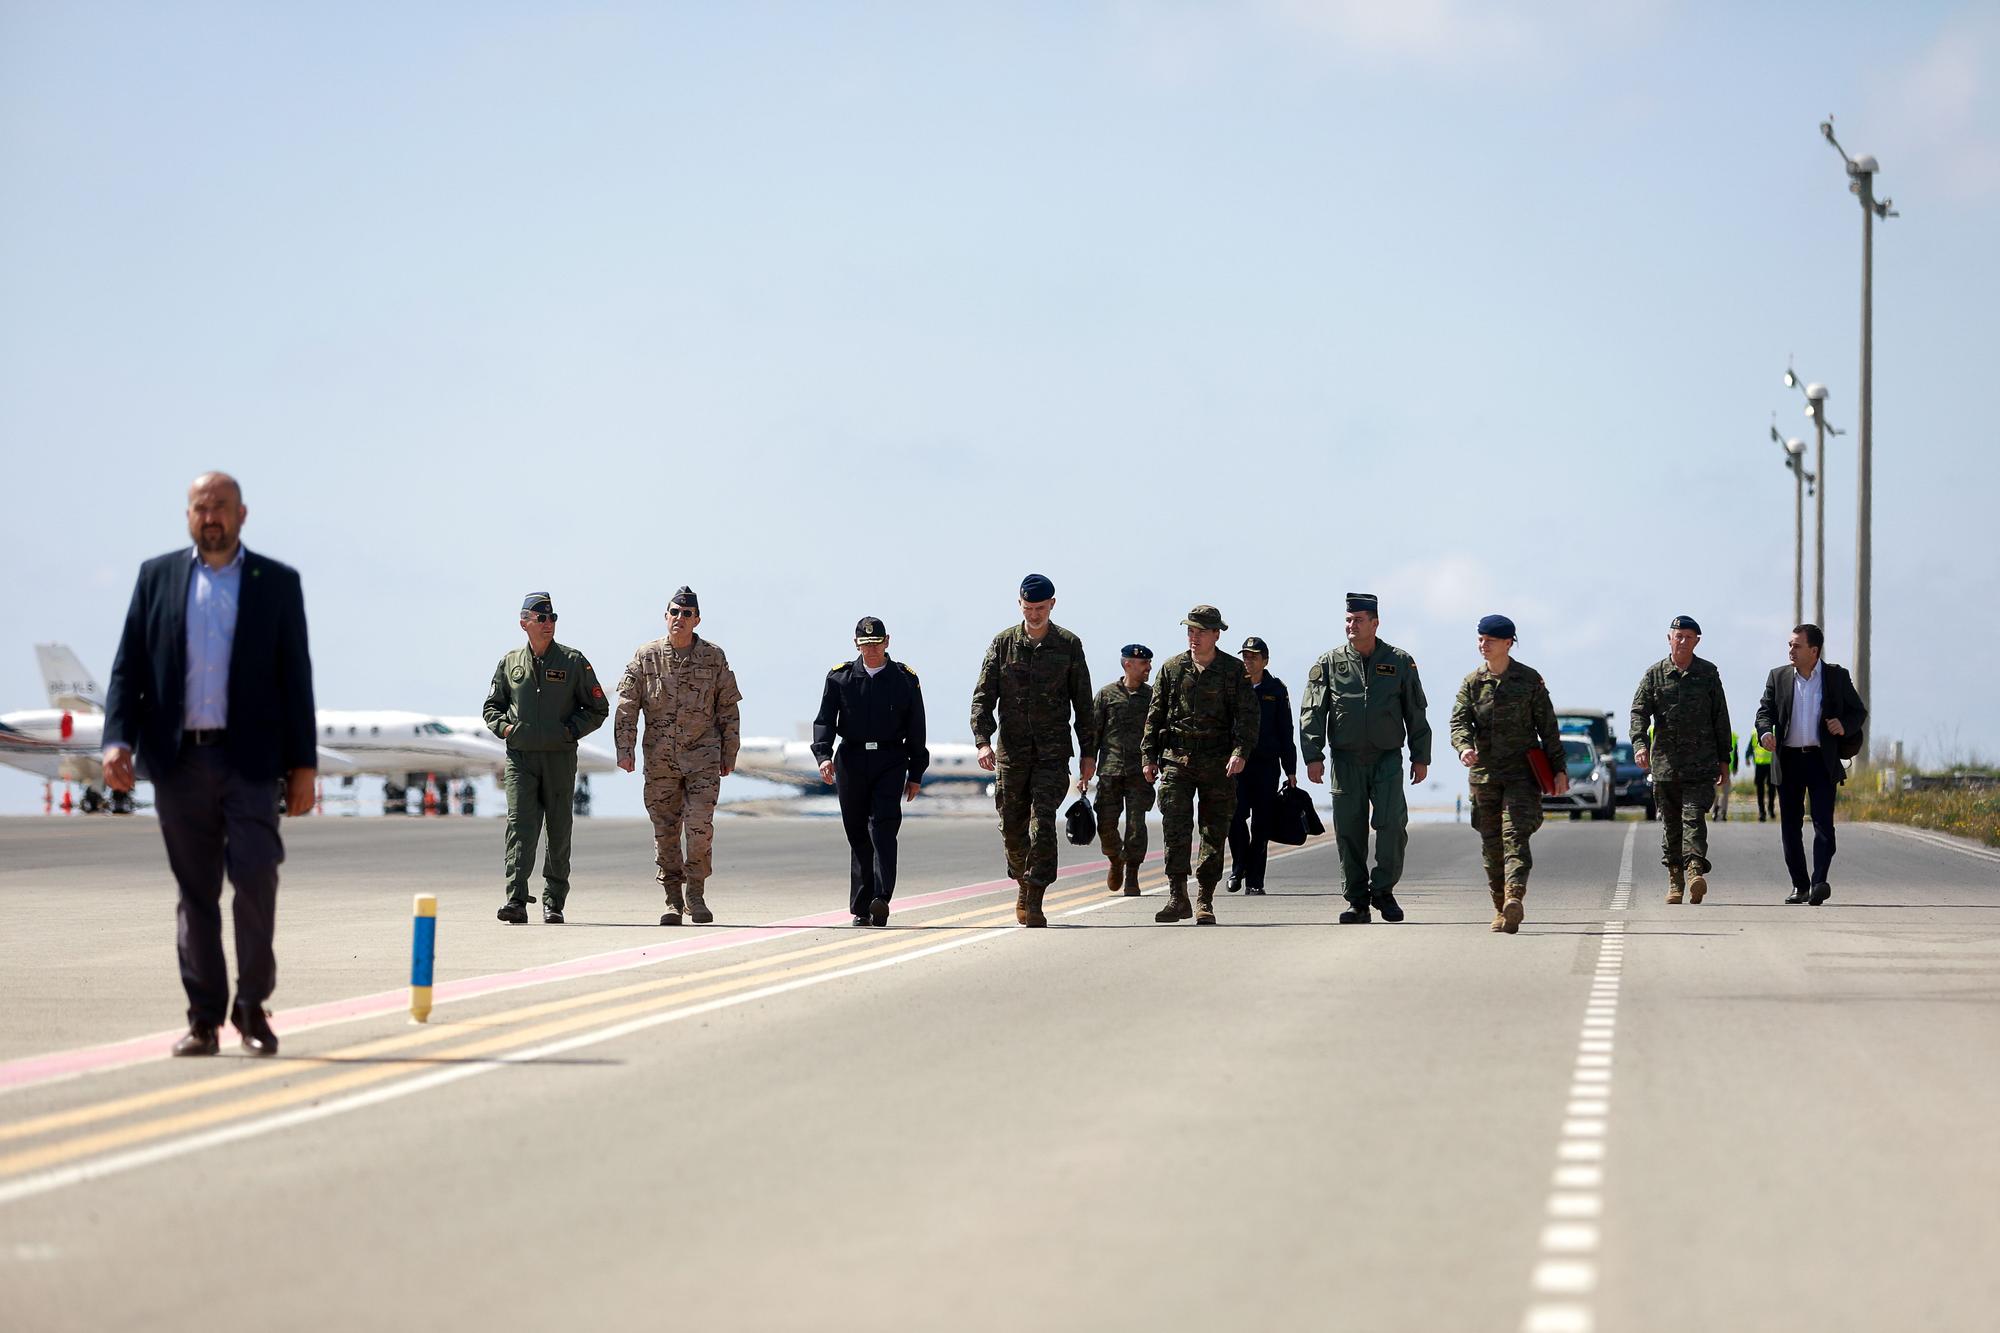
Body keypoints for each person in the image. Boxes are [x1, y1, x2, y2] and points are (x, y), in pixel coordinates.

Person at [102, 472, 316, 1057]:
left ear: (243, 514)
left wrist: (304, 764)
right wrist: (116, 740)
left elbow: (295, 677)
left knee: (255, 878)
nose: (212, 516)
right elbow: (129, 668)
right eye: (202, 507)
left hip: (250, 762)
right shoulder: (158, 578)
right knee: (194, 894)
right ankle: (203, 1018)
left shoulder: (275, 582)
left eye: (221, 506)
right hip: (178, 762)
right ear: (188, 515)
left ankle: (251, 1008)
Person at [1298, 593, 1433, 923]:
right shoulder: (1329, 663)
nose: (1351, 625)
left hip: (1387, 758)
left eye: (1358, 620)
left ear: (1375, 623)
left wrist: (1421, 756)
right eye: (1348, 620)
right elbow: (1312, 710)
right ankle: (1357, 900)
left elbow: (1415, 710)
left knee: (1392, 826)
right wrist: (1313, 755)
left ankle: (1383, 891)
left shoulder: (1399, 661)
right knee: (1349, 831)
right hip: (1345, 760)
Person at [970, 574, 1097, 927]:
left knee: (1042, 823)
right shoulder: (1002, 644)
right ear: (1019, 604)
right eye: (1028, 608)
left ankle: (1036, 895)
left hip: (1052, 754)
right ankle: (1022, 882)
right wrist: (982, 740)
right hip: (1011, 753)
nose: (1034, 614)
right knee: (1012, 827)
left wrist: (1089, 752)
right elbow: (983, 696)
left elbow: (1083, 703)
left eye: (1040, 608)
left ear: (1052, 604)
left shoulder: (1069, 645)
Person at [614, 586, 743, 926]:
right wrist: (624, 749)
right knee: (666, 831)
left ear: (697, 619)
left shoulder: (713, 657)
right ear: (666, 616)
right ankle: (672, 898)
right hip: (660, 760)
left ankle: (696, 894)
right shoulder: (647, 656)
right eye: (674, 612)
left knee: (699, 826)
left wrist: (730, 752)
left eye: (687, 614)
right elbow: (627, 706)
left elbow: (728, 708)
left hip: (703, 757)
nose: (680, 619)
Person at [483, 592, 609, 924]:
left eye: (552, 619)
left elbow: (597, 708)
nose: (548, 624)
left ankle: (554, 902)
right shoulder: (510, 663)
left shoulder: (572, 661)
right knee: (520, 827)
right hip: (521, 759)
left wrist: (569, 732)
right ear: (524, 623)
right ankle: (516, 899)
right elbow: (491, 707)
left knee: (558, 829)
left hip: (558, 758)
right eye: (541, 619)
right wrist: (507, 729)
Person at [1449, 614, 1567, 935]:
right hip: (1485, 776)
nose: (1482, 645)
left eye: (1489, 640)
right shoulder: (1472, 683)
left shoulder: (1529, 681)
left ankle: (1515, 897)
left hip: (1521, 777)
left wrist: (1559, 770)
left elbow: (1549, 729)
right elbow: (1459, 722)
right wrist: (1463, 747)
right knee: (1491, 845)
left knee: (1514, 835)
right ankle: (1500, 906)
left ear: (1508, 643)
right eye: (1480, 639)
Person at [1142, 605, 1258, 926]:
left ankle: (1204, 897)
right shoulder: (1171, 669)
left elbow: (1248, 717)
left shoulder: (1233, 671)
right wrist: (1148, 757)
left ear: (1216, 634)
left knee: (1213, 830)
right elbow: (1155, 716)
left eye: (1201, 632)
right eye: (1190, 631)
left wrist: (1240, 752)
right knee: (1175, 828)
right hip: (1176, 761)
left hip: (1218, 762)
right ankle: (1177, 896)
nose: (1194, 637)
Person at [812, 617, 928, 927]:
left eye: (876, 643)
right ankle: (863, 907)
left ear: (887, 641)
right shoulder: (840, 678)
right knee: (857, 832)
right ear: (856, 645)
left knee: (883, 827)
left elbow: (917, 728)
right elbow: (824, 720)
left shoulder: (905, 679)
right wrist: (823, 755)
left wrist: (916, 772)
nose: (871, 650)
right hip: (851, 759)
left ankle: (881, 897)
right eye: (865, 645)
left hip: (890, 759)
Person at [1753, 623, 1868, 905]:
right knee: (1790, 828)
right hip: (1789, 761)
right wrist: (1766, 732)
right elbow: (1764, 711)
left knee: (1823, 826)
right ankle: (1799, 885)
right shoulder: (1778, 677)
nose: (1790, 650)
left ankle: (1819, 882)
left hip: (1821, 760)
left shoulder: (1836, 677)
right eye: (1790, 644)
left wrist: (1844, 724)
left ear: (1813, 650)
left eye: (1796, 645)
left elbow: (1858, 711)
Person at [1628, 615, 1733, 905]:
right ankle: (1675, 881)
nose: (1682, 641)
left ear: (1697, 641)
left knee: (1694, 817)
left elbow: (1720, 719)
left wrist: (1725, 761)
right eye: (1678, 636)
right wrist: (1640, 744)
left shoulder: (1708, 674)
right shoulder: (1655, 675)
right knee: (1671, 825)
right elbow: (1638, 711)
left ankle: (1694, 871)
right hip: (1665, 766)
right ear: (1669, 638)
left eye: (1688, 637)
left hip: (1700, 765)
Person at [1227, 636, 1297, 896]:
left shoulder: (1276, 689)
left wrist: (1291, 769)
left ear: (1265, 661)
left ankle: (1255, 880)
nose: (1248, 661)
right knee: (1234, 818)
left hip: (1266, 766)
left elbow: (1285, 730)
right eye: (1245, 656)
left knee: (1262, 824)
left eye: (1253, 656)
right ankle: (1239, 866)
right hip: (1237, 765)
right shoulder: (1234, 686)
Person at [1091, 644, 1155, 896]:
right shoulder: (1106, 695)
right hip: (1110, 770)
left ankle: (1132, 875)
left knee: (1136, 826)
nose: (1149, 667)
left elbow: (1161, 732)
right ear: (1128, 664)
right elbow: (1093, 733)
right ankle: (1115, 858)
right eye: (1144, 663)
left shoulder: (1153, 697)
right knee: (1105, 824)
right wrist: (1086, 769)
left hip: (1140, 772)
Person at [1747, 730, 1775, 821]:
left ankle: (1771, 809)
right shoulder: (1754, 732)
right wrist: (1747, 756)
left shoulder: (1774, 730)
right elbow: (1751, 746)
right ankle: (1762, 812)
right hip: (1759, 764)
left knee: (1771, 788)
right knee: (1760, 789)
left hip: (1771, 764)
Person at [1715, 729, 1739, 822]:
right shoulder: (1733, 735)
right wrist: (1735, 767)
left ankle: (1716, 810)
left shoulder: (1713, 731)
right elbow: (1735, 753)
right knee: (1725, 792)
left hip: (1716, 766)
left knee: (1715, 791)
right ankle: (1723, 812)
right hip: (1727, 766)